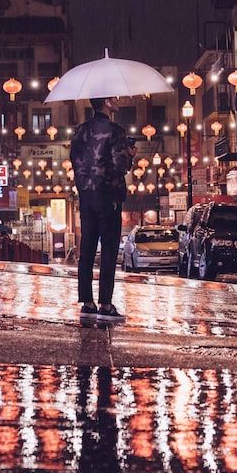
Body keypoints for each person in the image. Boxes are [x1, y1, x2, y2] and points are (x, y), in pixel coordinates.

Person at [70, 97, 134, 322]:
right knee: (108, 249)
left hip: (86, 196)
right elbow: (119, 166)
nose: (118, 101)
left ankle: (87, 303)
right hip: (108, 196)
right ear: (106, 102)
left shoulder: (80, 131)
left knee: (86, 247)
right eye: (115, 98)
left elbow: (75, 162)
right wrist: (129, 156)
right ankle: (105, 304)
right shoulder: (116, 131)